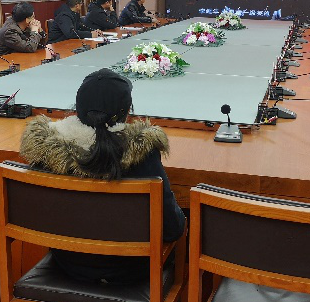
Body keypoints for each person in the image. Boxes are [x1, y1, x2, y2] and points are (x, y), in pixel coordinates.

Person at [19, 68, 186, 284]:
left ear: (78, 107)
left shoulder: (46, 148)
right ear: (126, 111)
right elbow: (173, 229)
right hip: (129, 273)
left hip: (68, 264)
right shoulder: (142, 155)